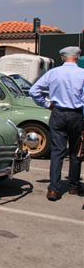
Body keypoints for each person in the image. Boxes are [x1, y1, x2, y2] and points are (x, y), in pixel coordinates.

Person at [29, 46, 84, 201]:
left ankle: (54, 189)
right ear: (77, 57)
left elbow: (34, 91)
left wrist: (47, 104)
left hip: (58, 113)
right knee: (75, 152)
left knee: (57, 152)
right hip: (76, 115)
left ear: (63, 58)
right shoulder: (82, 73)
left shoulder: (53, 73)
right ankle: (73, 186)